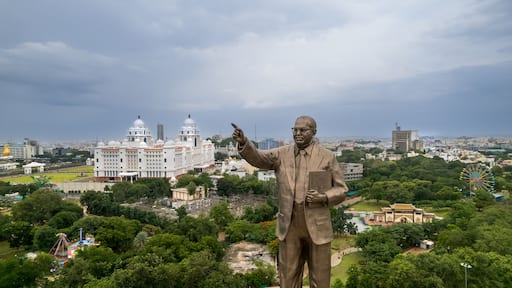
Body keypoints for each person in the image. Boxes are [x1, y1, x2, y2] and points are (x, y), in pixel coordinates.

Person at [231, 116, 348, 288]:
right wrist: (244, 143)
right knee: (288, 276)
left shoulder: (327, 157)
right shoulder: (281, 154)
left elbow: (342, 189)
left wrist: (324, 197)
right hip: (290, 225)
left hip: (317, 225)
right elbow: (257, 158)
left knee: (320, 278)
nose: (298, 133)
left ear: (313, 132)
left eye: (303, 130)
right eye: (295, 130)